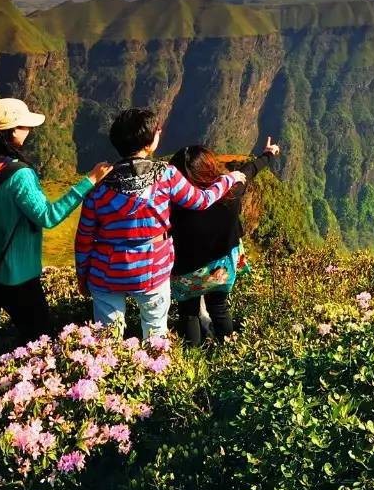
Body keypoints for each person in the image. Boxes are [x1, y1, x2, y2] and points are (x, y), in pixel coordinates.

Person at [74, 108, 246, 338]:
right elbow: (201, 201)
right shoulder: (166, 175)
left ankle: (104, 370)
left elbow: (84, 239)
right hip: (152, 269)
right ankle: (153, 370)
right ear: (150, 142)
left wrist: (82, 277)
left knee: (106, 339)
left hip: (106, 273)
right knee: (155, 333)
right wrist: (228, 179)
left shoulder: (99, 186)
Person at [0, 98, 113, 354]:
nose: (29, 131)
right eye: (24, 126)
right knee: (41, 342)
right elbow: (48, 216)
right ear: (10, 131)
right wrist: (89, 181)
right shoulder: (19, 175)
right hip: (17, 276)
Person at [169, 137, 280, 346]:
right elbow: (250, 171)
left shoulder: (172, 204)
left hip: (187, 270)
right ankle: (226, 351)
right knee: (219, 308)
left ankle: (193, 356)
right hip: (222, 267)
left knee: (189, 313)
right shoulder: (231, 192)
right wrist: (268, 154)